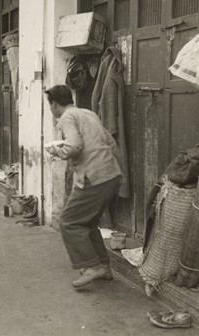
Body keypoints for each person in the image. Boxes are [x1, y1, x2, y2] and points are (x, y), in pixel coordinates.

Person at [45, 85, 122, 290]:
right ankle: (104, 267)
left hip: (93, 177)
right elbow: (111, 143)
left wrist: (56, 151)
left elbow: (75, 146)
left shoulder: (67, 118)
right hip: (111, 175)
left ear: (53, 103)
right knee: (88, 223)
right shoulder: (88, 113)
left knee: (68, 221)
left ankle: (91, 267)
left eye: (50, 104)